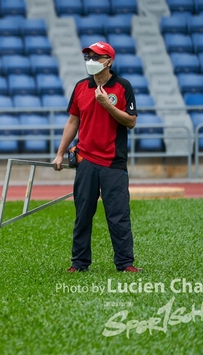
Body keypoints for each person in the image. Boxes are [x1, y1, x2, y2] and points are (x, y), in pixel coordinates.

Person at [52, 41, 141, 273]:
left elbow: (131, 121)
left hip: (113, 162)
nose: (90, 61)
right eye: (88, 56)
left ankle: (125, 264)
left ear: (108, 62)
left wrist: (106, 105)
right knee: (83, 215)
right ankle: (79, 264)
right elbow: (73, 121)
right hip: (86, 161)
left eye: (96, 57)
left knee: (118, 216)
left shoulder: (123, 86)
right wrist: (60, 153)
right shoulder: (81, 86)